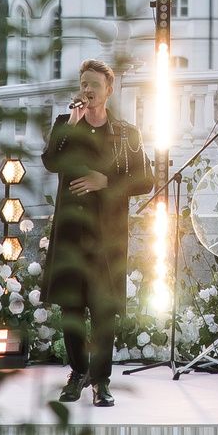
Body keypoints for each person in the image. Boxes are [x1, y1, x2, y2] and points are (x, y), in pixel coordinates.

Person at [43, 59, 153, 406]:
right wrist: (72, 127)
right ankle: (77, 373)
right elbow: (50, 162)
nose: (87, 90)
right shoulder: (65, 123)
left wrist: (106, 182)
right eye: (83, 83)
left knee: (104, 309)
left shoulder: (125, 133)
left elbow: (145, 180)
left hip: (107, 236)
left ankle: (101, 380)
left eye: (93, 84)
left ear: (109, 89)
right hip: (72, 233)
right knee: (72, 307)